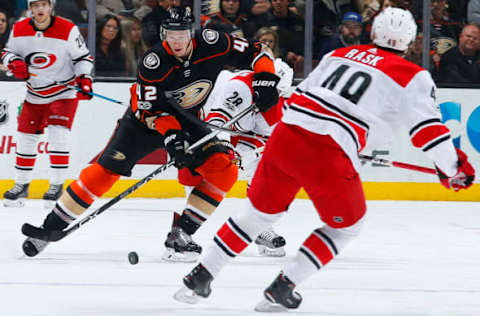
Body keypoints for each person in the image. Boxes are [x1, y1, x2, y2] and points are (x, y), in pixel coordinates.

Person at [174, 7, 476, 311]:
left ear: (373, 33)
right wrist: (451, 168)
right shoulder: (413, 75)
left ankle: (200, 276)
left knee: (257, 216)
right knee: (347, 226)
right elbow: (428, 132)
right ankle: (283, 287)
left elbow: (300, 99)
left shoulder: (338, 56)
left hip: (286, 137)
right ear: (410, 41)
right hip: (328, 151)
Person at [20, 6, 280, 260]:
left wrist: (266, 78)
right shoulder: (154, 62)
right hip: (143, 124)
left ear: (191, 32)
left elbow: (258, 51)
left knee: (224, 169)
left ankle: (181, 234)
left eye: (181, 35)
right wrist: (171, 137)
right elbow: (151, 112)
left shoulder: (213, 42)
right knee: (103, 173)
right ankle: (49, 227)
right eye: (170, 35)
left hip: (189, 121)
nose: (176, 42)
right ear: (163, 33)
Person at [1, 0, 93, 208]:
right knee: (25, 138)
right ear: (30, 8)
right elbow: (7, 53)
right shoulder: (20, 27)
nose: (40, 9)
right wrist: (14, 62)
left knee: (58, 135)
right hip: (34, 94)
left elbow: (83, 57)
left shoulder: (68, 29)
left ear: (51, 6)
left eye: (44, 4)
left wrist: (85, 79)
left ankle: (56, 185)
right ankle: (21, 185)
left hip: (64, 93)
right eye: (35, 5)